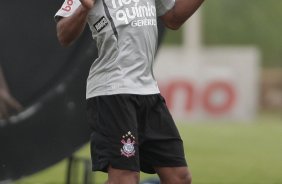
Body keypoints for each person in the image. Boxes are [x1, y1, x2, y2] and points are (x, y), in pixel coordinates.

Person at [55, 0, 204, 183]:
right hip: (113, 92)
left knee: (179, 177)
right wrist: (84, 8)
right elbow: (63, 35)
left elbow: (173, 18)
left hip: (148, 90)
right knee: (125, 178)